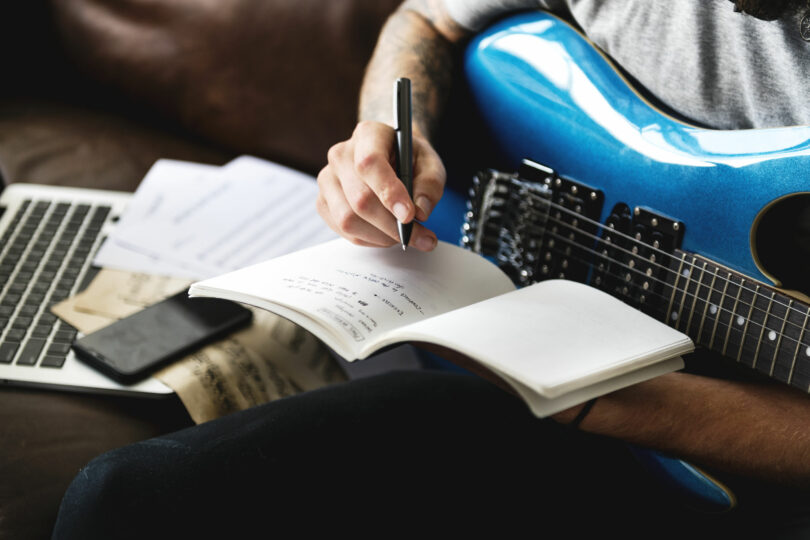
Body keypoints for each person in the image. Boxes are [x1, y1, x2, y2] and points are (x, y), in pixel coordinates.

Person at [53, 1, 810, 537]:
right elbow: (427, 19)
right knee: (122, 497)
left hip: (692, 444)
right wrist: (383, 131)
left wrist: (604, 398)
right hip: (523, 385)